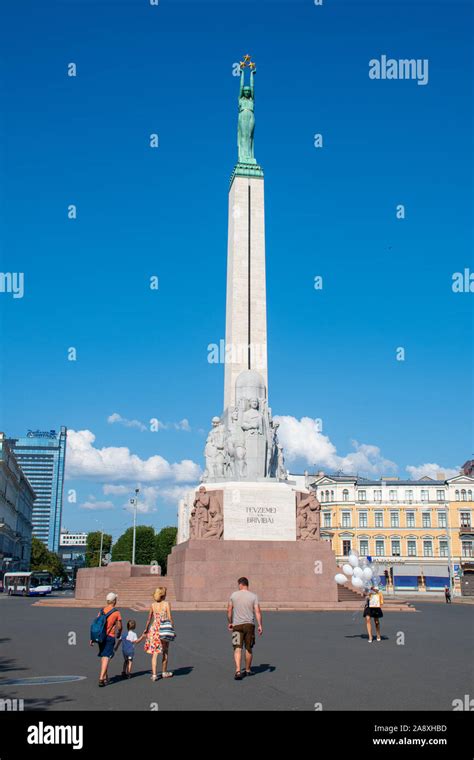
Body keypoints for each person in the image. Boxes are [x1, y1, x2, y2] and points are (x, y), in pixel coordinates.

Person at [227, 577, 263, 680]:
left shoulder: (234, 595)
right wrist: (260, 625)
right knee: (248, 647)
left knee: (237, 648)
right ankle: (247, 670)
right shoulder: (253, 596)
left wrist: (230, 622)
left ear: (241, 584)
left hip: (236, 626)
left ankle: (238, 671)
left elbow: (229, 610)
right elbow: (257, 611)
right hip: (249, 625)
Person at [90, 591, 122, 687]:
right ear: (114, 601)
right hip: (110, 636)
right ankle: (101, 678)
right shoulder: (116, 612)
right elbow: (120, 626)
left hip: (100, 636)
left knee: (104, 655)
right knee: (106, 657)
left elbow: (96, 624)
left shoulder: (101, 611)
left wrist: (92, 638)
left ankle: (105, 676)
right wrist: (119, 633)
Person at [143, 587, 175, 681]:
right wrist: (172, 629)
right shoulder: (166, 604)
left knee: (155, 653)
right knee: (165, 651)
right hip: (164, 629)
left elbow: (149, 619)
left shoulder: (152, 605)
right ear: (163, 595)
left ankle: (154, 675)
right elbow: (170, 617)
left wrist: (146, 629)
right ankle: (164, 672)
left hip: (154, 629)